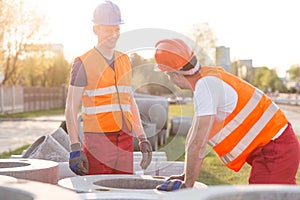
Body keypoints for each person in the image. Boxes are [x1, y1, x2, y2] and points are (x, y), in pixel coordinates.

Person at [153, 38, 300, 191]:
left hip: (276, 150)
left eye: (167, 76)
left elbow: (198, 143)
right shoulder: (207, 79)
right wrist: (185, 177)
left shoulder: (206, 86)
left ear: (175, 75)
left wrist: (187, 186)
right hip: (276, 147)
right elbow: (193, 136)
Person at [65, 0, 152, 176]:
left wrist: (142, 137)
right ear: (95, 30)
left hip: (125, 138)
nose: (114, 35)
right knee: (99, 189)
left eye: (117, 29)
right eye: (108, 30)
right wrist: (74, 146)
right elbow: (71, 107)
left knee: (124, 188)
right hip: (98, 139)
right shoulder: (82, 63)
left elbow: (130, 101)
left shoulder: (124, 60)